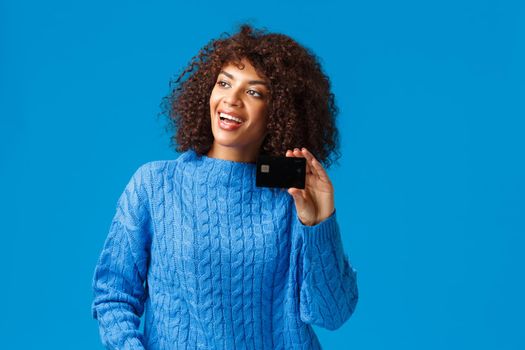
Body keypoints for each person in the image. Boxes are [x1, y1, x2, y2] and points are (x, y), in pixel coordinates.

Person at [91, 23, 358, 350]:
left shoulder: (292, 197)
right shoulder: (154, 185)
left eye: (253, 91)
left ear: (279, 112)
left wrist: (320, 224)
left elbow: (332, 314)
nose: (231, 100)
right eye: (224, 83)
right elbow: (113, 296)